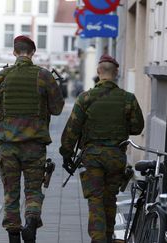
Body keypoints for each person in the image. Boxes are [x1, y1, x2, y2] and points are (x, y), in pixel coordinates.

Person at [0, 35, 64, 243]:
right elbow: (57, 108)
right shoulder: (44, 76)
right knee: (33, 190)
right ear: (33, 53)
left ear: (14, 52)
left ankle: (14, 237)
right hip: (35, 146)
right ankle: (32, 221)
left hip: (8, 146)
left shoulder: (1, 77)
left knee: (11, 192)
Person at [59, 54, 144, 243]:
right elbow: (137, 127)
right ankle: (107, 236)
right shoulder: (128, 99)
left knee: (95, 200)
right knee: (110, 199)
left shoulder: (85, 98)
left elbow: (72, 129)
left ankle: (98, 240)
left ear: (98, 72)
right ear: (117, 73)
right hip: (116, 157)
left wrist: (66, 154)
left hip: (93, 158)